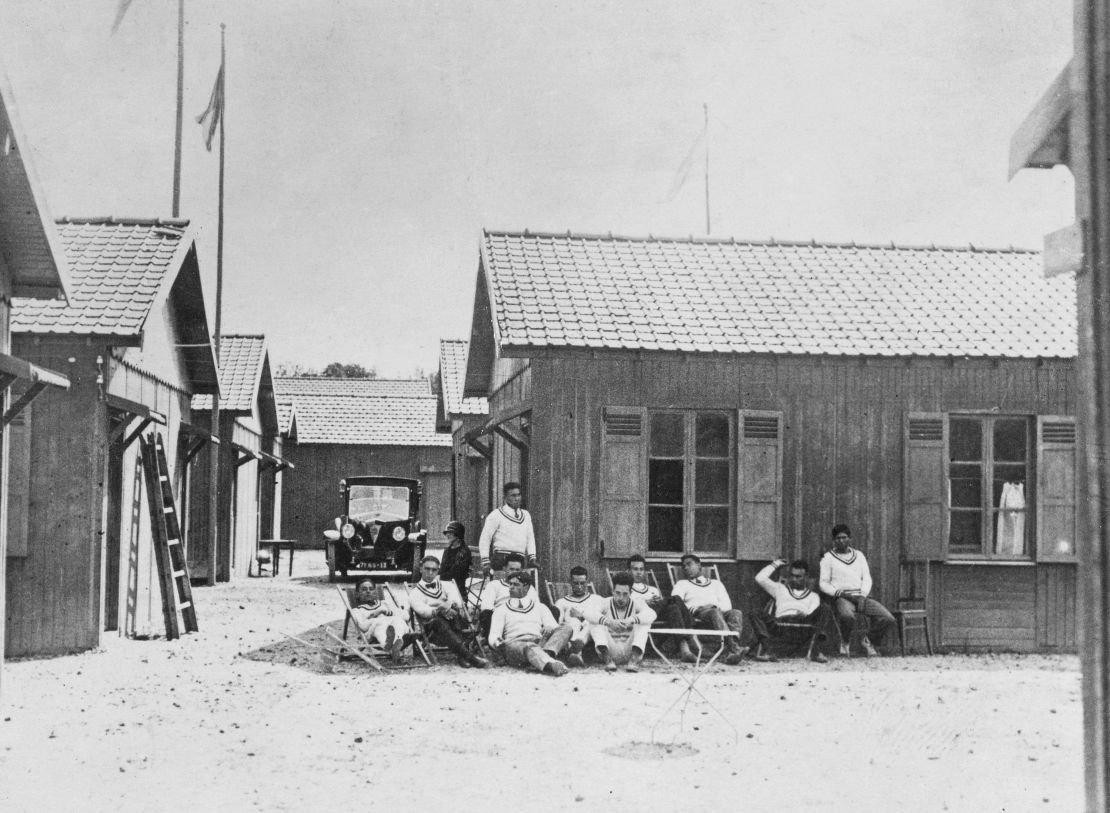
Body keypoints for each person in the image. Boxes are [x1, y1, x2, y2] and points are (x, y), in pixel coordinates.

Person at [818, 524, 895, 657]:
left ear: (850, 539)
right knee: (847, 616)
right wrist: (841, 594)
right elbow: (823, 584)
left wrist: (862, 596)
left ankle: (868, 640)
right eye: (837, 538)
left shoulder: (859, 555)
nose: (841, 541)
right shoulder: (828, 558)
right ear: (833, 541)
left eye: (844, 537)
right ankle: (845, 642)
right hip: (843, 597)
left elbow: (867, 578)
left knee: (887, 618)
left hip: (861, 596)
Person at [409, 555, 491, 668]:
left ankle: (462, 655)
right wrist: (439, 609)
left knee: (455, 614)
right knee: (440, 620)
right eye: (427, 569)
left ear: (438, 570)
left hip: (451, 622)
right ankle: (470, 658)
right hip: (432, 628)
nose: (430, 573)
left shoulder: (447, 585)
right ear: (421, 569)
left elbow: (456, 600)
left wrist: (447, 606)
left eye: (434, 570)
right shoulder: (415, 593)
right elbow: (422, 610)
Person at [488, 570, 572, 677]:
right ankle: (550, 664)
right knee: (529, 646)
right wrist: (497, 642)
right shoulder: (501, 609)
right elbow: (494, 636)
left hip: (539, 642)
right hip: (515, 645)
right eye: (510, 584)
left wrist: (549, 627)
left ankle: (544, 656)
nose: (511, 587)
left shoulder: (540, 607)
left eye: (516, 584)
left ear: (526, 587)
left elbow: (554, 627)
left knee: (566, 627)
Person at [668, 554, 747, 665]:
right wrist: (699, 609)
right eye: (683, 566)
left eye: (689, 564)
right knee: (713, 612)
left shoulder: (716, 584)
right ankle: (733, 648)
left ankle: (731, 651)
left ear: (699, 565)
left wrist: (714, 608)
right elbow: (676, 603)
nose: (685, 568)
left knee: (736, 613)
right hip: (697, 613)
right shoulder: (682, 584)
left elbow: (727, 605)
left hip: (717, 612)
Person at [752, 558, 835, 663]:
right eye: (792, 575)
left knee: (825, 608)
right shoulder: (779, 588)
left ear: (806, 577)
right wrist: (775, 564)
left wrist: (802, 614)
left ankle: (817, 649)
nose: (794, 579)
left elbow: (811, 615)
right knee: (755, 612)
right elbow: (759, 578)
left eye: (798, 576)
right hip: (780, 625)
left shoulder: (813, 596)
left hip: (802, 627)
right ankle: (768, 650)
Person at [591, 572, 656, 672]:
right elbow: (588, 612)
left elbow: (652, 614)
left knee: (644, 622)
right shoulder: (605, 602)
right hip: (610, 650)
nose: (621, 598)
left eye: (625, 594)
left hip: (630, 651)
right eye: (617, 593)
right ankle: (608, 661)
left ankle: (634, 661)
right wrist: (609, 622)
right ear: (613, 591)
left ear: (630, 593)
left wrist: (632, 619)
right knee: (595, 621)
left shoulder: (636, 602)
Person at [553, 566, 606, 667]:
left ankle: (576, 651)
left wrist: (582, 617)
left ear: (587, 582)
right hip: (571, 632)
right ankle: (576, 652)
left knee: (590, 623)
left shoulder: (597, 599)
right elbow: (558, 625)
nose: (579, 587)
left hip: (591, 632)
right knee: (573, 622)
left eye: (582, 583)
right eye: (576, 583)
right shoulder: (562, 602)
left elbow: (604, 620)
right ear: (570, 582)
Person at [478, 481, 537, 572]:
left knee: (518, 585)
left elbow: (530, 538)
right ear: (505, 498)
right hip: (501, 559)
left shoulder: (526, 515)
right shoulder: (496, 515)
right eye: (513, 496)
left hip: (520, 560)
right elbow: (485, 538)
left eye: (519, 495)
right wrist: (485, 562)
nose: (517, 498)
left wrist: (532, 557)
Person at [477, 553, 539, 639]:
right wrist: (506, 613)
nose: (514, 572)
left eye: (517, 569)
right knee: (486, 614)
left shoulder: (527, 587)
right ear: (504, 569)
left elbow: (537, 606)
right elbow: (486, 606)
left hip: (524, 618)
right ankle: (495, 644)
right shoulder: (494, 585)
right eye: (511, 569)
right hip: (502, 619)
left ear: (521, 571)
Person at [349, 579, 408, 661]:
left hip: (394, 627)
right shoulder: (357, 610)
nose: (368, 591)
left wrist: (388, 613)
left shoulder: (385, 603)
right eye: (364, 589)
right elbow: (363, 626)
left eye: (371, 589)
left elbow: (405, 616)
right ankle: (388, 644)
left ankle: (395, 644)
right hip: (374, 633)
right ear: (357, 594)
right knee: (380, 624)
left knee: (398, 621)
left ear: (375, 592)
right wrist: (375, 615)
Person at [439, 521, 472, 600]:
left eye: (450, 533)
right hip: (444, 582)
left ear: (458, 535)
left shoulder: (464, 551)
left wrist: (440, 576)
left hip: (457, 586)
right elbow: (442, 567)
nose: (447, 535)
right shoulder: (447, 550)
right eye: (447, 533)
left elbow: (457, 572)